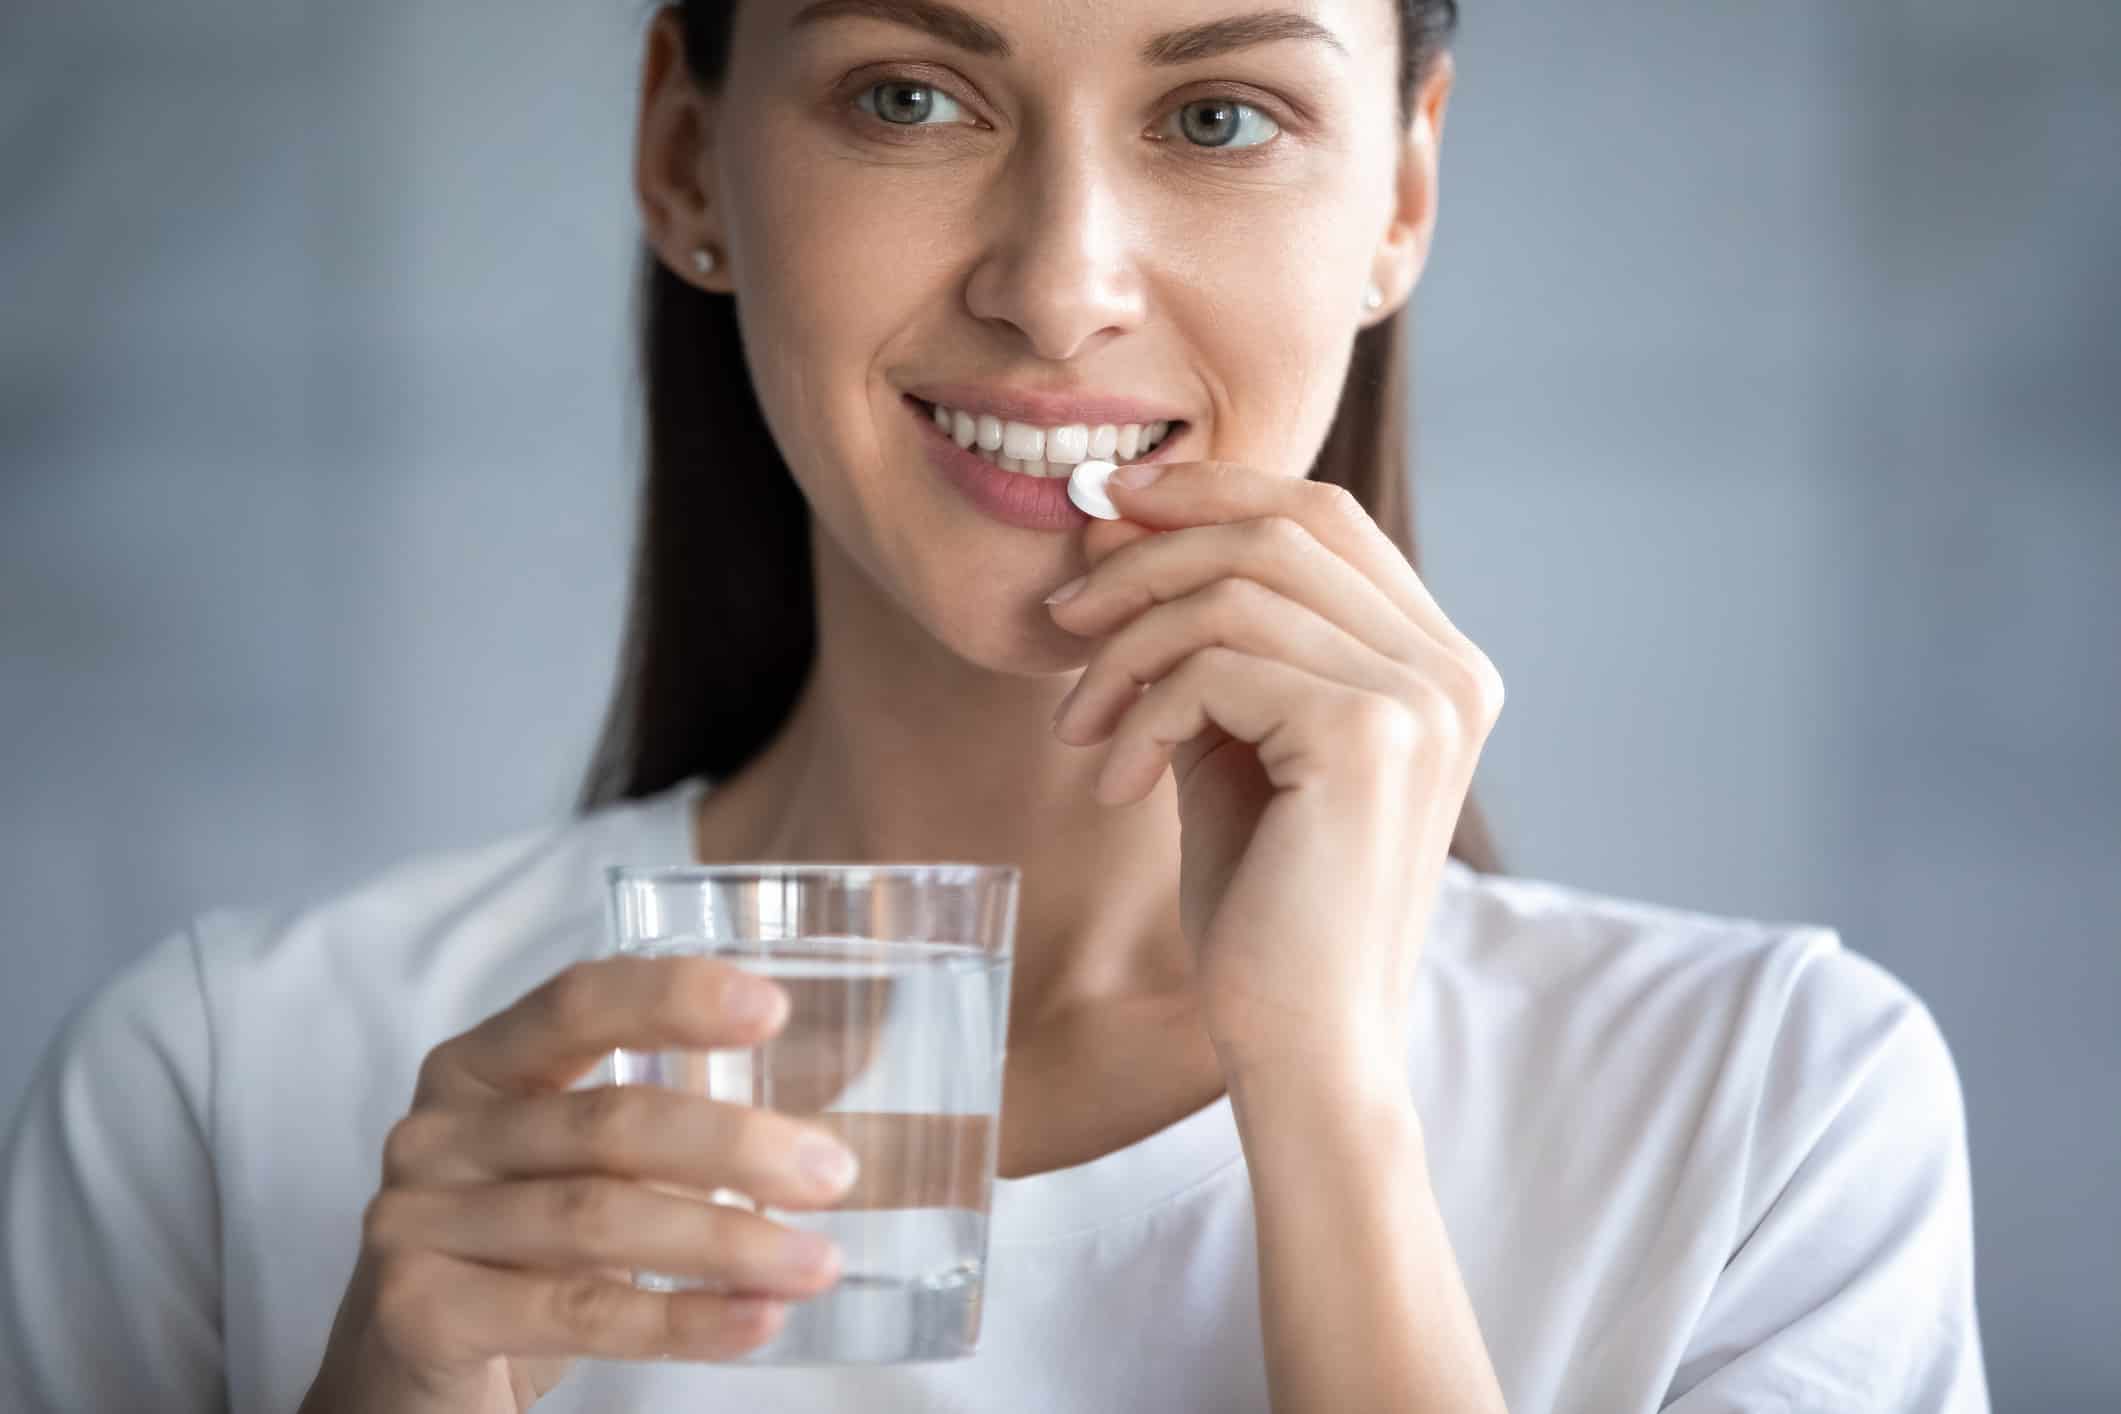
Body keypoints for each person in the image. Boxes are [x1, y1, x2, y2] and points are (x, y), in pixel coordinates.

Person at [0, 1, 1990, 1410]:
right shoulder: (220, 1085)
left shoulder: (1772, 1111)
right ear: (685, 158)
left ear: (1397, 193)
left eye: (1215, 116)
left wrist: (1323, 1099)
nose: (1057, 285)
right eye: (906, 95)